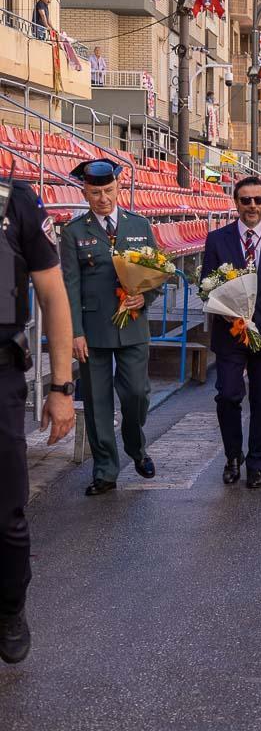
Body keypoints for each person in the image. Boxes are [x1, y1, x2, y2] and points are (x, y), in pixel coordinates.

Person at [0, 179, 76, 665]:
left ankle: (9, 607)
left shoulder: (16, 201)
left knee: (5, 510)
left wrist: (61, 387)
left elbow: (53, 296)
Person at [60, 159, 157, 495]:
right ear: (85, 192)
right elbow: (69, 285)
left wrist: (144, 298)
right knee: (98, 401)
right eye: (95, 192)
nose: (103, 198)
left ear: (118, 188)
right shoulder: (74, 232)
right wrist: (75, 331)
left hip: (133, 325)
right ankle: (105, 470)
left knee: (136, 394)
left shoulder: (139, 225)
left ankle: (136, 445)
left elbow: (157, 272)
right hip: (93, 327)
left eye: (108, 190)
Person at [201, 176, 261, 489]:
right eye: (246, 200)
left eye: (259, 200)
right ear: (236, 203)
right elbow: (207, 286)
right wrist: (228, 310)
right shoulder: (217, 240)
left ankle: (257, 463)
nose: (253, 206)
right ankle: (233, 456)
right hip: (231, 332)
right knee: (228, 394)